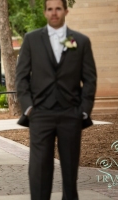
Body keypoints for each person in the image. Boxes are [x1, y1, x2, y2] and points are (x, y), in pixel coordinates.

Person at [15, 0, 97, 199]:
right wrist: (28, 108)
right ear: (45, 12)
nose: (54, 13)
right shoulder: (31, 39)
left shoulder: (80, 41)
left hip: (71, 114)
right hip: (40, 114)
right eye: (50, 9)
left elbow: (90, 78)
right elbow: (21, 77)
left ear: (66, 11)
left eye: (58, 8)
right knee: (39, 170)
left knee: (70, 171)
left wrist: (83, 110)